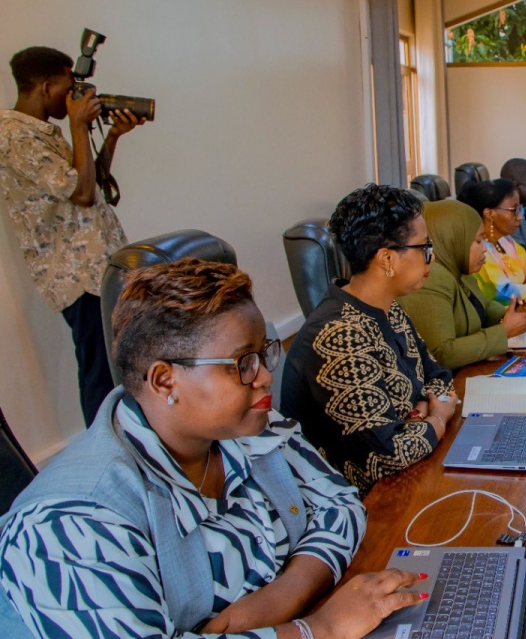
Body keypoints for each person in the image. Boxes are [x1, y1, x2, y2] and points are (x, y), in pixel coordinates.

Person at [0, 258, 427, 639]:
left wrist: (284, 594)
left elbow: (340, 503)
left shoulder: (246, 424)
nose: (263, 378)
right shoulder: (71, 525)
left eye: (264, 354)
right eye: (243, 363)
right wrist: (320, 628)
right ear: (165, 381)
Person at [0, 46, 145, 426]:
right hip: (77, 277)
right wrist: (78, 126)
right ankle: (106, 455)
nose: (74, 97)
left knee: (121, 362)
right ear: (46, 86)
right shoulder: (15, 136)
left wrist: (111, 135)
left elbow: (88, 183)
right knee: (100, 372)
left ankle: (134, 441)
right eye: (68, 88)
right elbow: (80, 194)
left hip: (99, 267)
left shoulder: (43, 132)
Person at [282, 185, 458, 494]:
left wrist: (418, 412)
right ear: (387, 258)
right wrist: (438, 418)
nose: (432, 260)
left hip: (410, 471)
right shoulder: (340, 334)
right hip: (359, 501)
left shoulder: (387, 308)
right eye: (425, 249)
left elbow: (438, 374)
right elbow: (387, 455)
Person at [400, 199, 526, 370]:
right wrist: (504, 332)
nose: (484, 249)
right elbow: (441, 353)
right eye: (478, 241)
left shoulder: (459, 270)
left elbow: (482, 306)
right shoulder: (429, 277)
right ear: (453, 238)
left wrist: (510, 313)